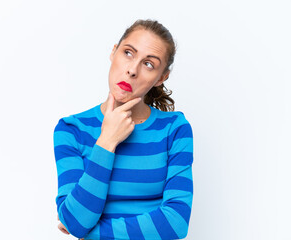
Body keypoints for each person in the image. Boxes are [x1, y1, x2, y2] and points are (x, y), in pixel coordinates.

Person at [53, 19, 194, 240]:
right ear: (114, 52)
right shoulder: (72, 130)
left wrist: (90, 235)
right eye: (128, 53)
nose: (132, 70)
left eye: (149, 64)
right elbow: (77, 220)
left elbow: (175, 223)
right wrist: (107, 141)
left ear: (161, 78)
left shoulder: (174, 129)